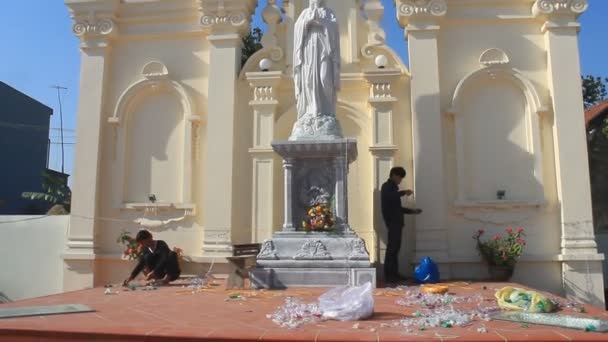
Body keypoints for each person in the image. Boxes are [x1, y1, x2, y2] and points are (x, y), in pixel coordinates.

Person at [381, 167, 422, 284]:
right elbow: (391, 197)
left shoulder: (393, 188)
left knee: (395, 249)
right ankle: (389, 275)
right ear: (393, 175)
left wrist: (412, 211)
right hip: (392, 222)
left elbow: (398, 209)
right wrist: (404, 192)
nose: (400, 180)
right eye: (399, 178)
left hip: (397, 222)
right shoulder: (387, 187)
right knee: (392, 249)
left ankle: (395, 273)